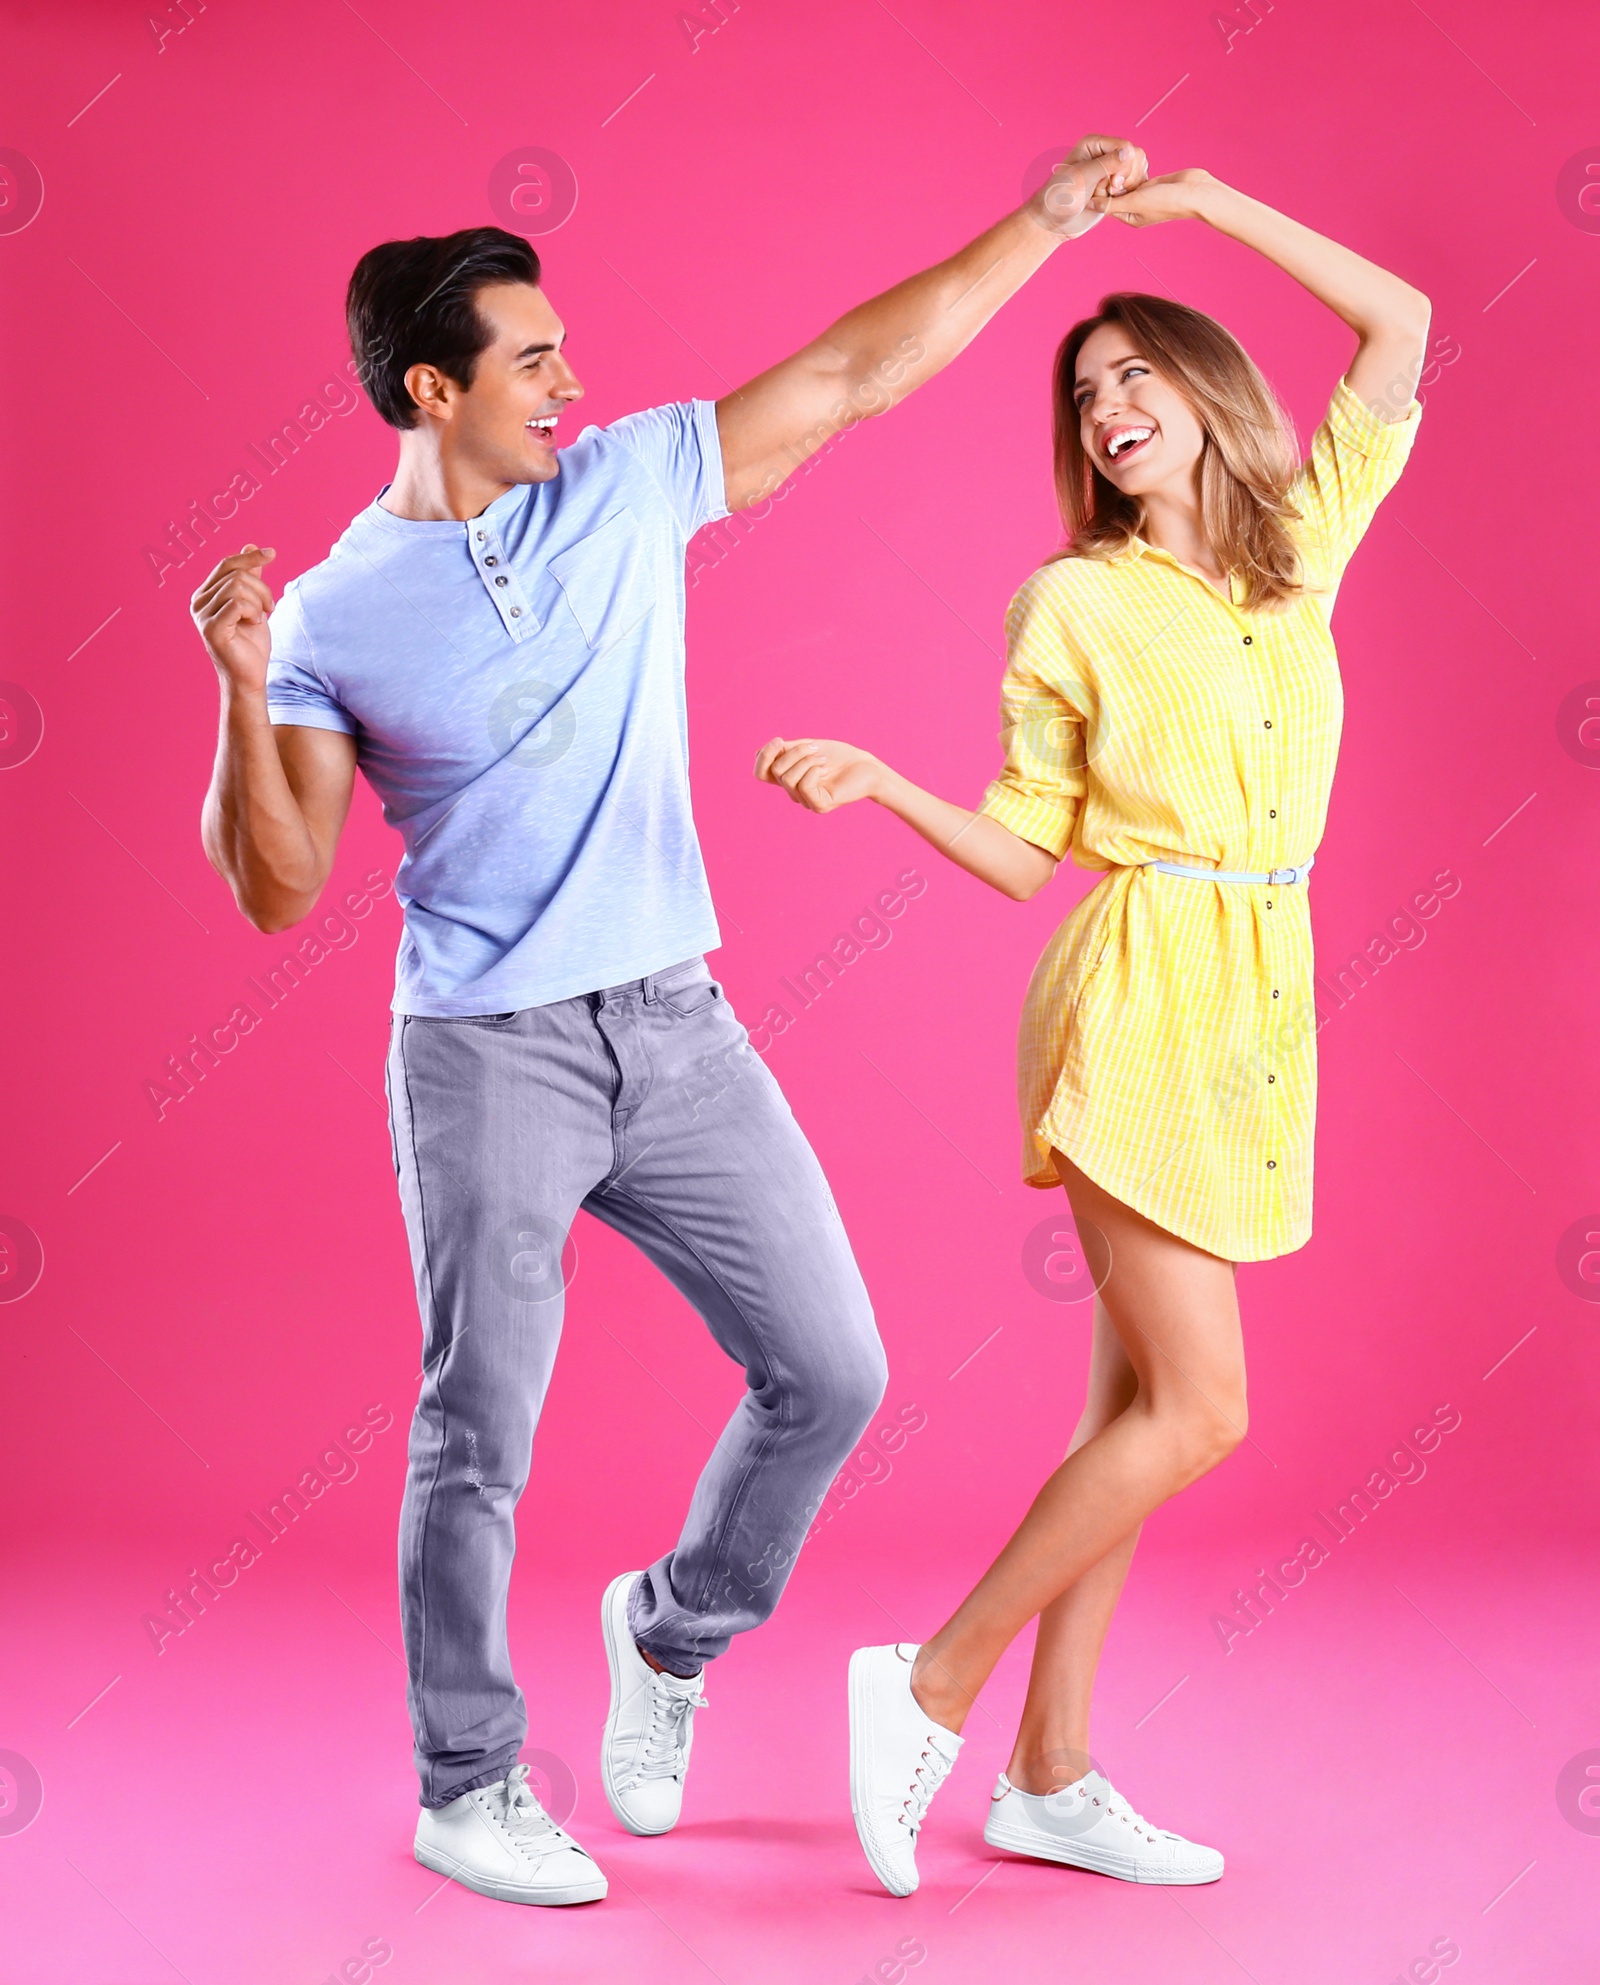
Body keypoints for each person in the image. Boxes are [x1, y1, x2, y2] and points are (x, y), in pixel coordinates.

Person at [187, 135, 1151, 1909]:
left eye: (568, 352)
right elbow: (276, 882)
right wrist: (245, 696)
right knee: (476, 1429)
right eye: (535, 360)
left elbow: (858, 371)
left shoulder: (624, 488)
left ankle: (673, 1625)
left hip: (676, 1025)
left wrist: (1036, 221)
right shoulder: (328, 616)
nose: (576, 380)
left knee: (834, 1367)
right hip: (487, 1052)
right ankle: (466, 1782)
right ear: (433, 388)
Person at [755, 163, 1429, 1897]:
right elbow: (1022, 851)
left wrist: (1207, 209)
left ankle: (1050, 1774)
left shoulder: (1299, 553)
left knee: (1124, 1407)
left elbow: (1399, 321)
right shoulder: (1070, 602)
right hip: (1134, 992)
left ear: (1205, 392)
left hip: (1260, 992)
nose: (1109, 409)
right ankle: (928, 1682)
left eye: (1135, 377)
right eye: (1084, 396)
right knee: (1203, 1411)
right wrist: (893, 784)